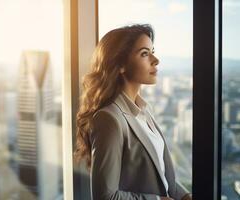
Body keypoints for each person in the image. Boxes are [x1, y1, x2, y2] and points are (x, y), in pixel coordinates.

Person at [74, 24, 192, 200]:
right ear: (120, 65)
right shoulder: (109, 118)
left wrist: (185, 196)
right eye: (145, 53)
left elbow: (163, 178)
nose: (155, 59)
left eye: (152, 51)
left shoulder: (144, 110)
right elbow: (105, 196)